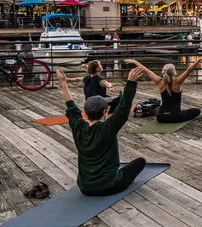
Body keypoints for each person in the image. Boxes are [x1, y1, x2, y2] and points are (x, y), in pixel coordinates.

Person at [57, 67, 147, 196]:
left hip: (85, 187)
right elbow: (123, 108)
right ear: (105, 112)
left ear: (86, 112)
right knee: (140, 162)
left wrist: (64, 84)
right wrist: (131, 82)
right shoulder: (107, 128)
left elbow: (71, 106)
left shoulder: (78, 126)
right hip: (109, 186)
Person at [124, 58, 202, 123]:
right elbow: (189, 70)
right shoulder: (177, 82)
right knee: (197, 111)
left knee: (159, 108)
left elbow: (145, 70)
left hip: (161, 117)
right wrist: (198, 61)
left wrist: (134, 61)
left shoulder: (159, 81)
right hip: (175, 117)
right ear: (174, 72)